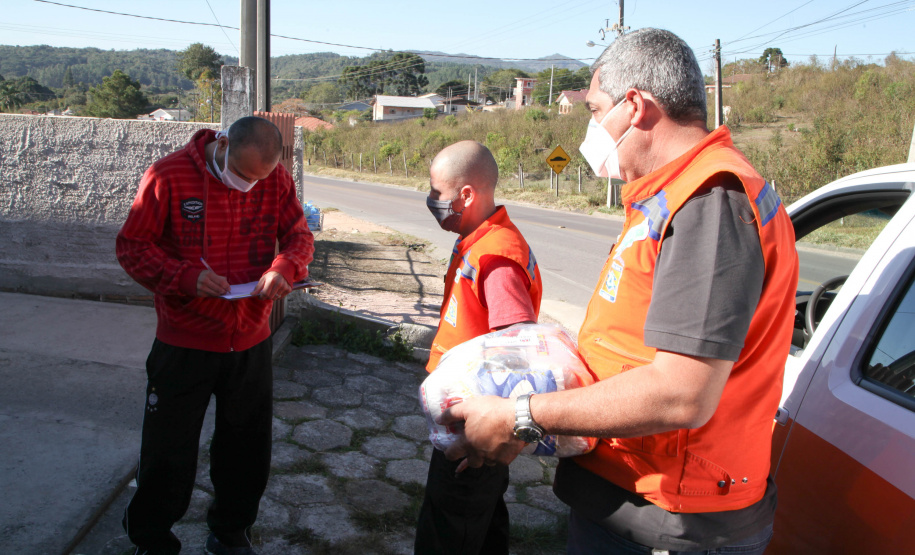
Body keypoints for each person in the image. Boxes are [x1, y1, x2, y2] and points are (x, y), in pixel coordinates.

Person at [439, 28, 799, 554]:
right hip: (632, 494)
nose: (590, 128)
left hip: (674, 513)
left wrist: (523, 415)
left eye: (595, 109)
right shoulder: (667, 196)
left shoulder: (709, 201)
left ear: (634, 107)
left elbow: (682, 392)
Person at [116, 116, 314, 555]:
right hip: (184, 341)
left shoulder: (275, 179)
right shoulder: (167, 175)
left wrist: (285, 268)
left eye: (259, 178)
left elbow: (299, 236)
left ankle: (230, 532)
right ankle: (151, 539)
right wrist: (184, 277)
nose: (249, 185)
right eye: (243, 175)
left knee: (246, 449)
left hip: (249, 339)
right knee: (168, 450)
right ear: (222, 144)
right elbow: (132, 247)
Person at [414, 140, 544, 555]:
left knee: (450, 530)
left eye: (437, 192)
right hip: (469, 423)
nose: (431, 200)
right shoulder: (476, 238)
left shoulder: (495, 257)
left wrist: (484, 436)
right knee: (480, 524)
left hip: (475, 434)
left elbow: (517, 352)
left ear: (466, 195)